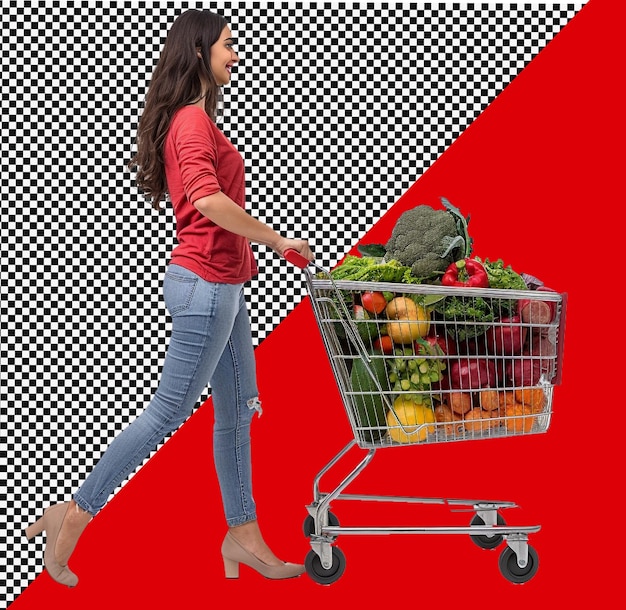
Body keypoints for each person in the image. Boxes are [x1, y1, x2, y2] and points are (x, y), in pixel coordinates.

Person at [25, 8, 313, 586]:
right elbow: (207, 201)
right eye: (228, 46)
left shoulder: (198, 120)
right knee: (169, 412)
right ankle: (74, 515)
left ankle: (243, 534)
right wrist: (278, 239)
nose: (236, 55)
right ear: (200, 52)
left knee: (236, 413)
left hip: (226, 287)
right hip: (206, 287)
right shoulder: (190, 122)